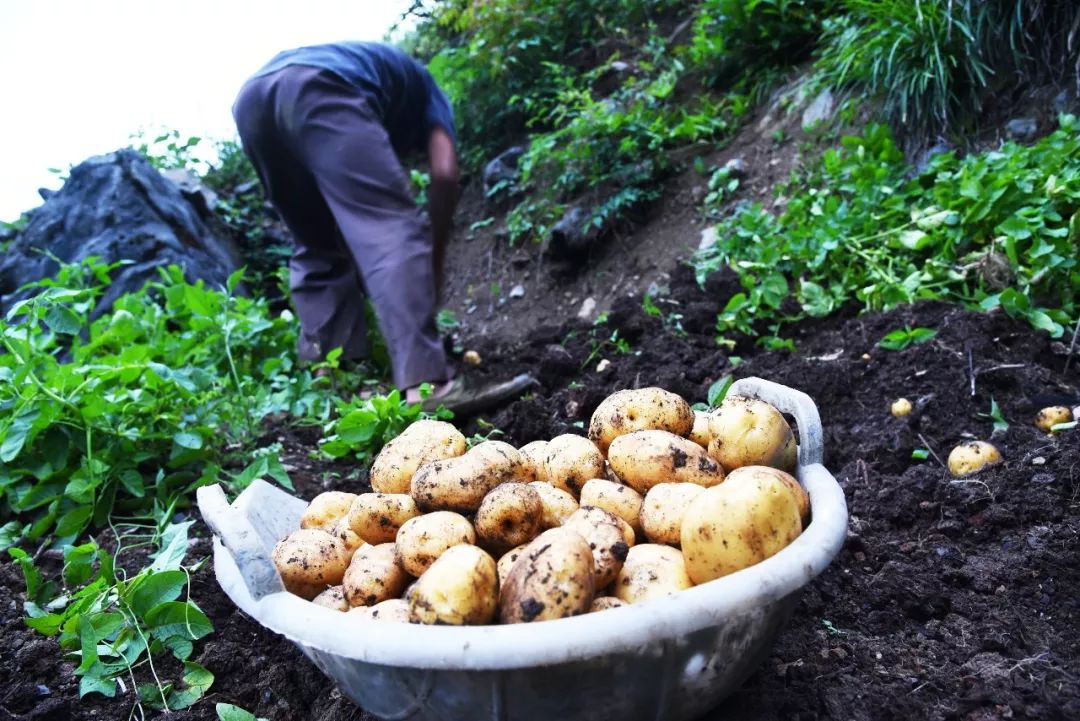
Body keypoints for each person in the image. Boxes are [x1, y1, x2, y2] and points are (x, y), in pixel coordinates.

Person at [232, 41, 533, 413]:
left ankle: (333, 381)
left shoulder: (379, 79)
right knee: (390, 228)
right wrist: (433, 264)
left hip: (252, 101)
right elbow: (443, 173)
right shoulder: (428, 91)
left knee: (315, 243)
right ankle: (428, 386)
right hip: (321, 86)